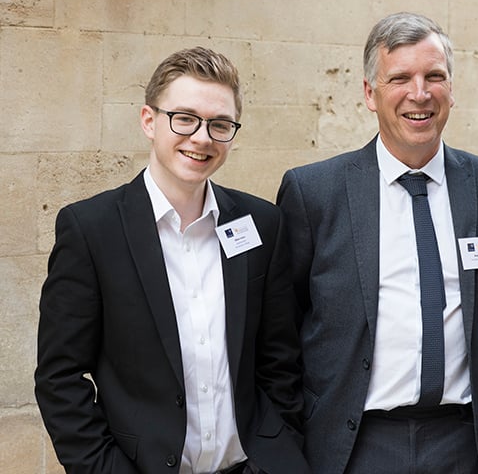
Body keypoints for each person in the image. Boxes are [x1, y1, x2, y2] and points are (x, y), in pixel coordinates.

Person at [35, 47, 309, 474]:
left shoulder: (261, 224)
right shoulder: (91, 230)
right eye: (185, 118)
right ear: (149, 120)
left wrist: (279, 448)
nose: (202, 138)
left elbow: (280, 362)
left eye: (220, 124)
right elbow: (59, 379)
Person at [276, 12, 478, 473]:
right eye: (400, 78)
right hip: (353, 445)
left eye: (435, 76)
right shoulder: (315, 193)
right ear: (370, 93)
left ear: (451, 88)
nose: (420, 93)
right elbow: (284, 328)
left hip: (463, 444)